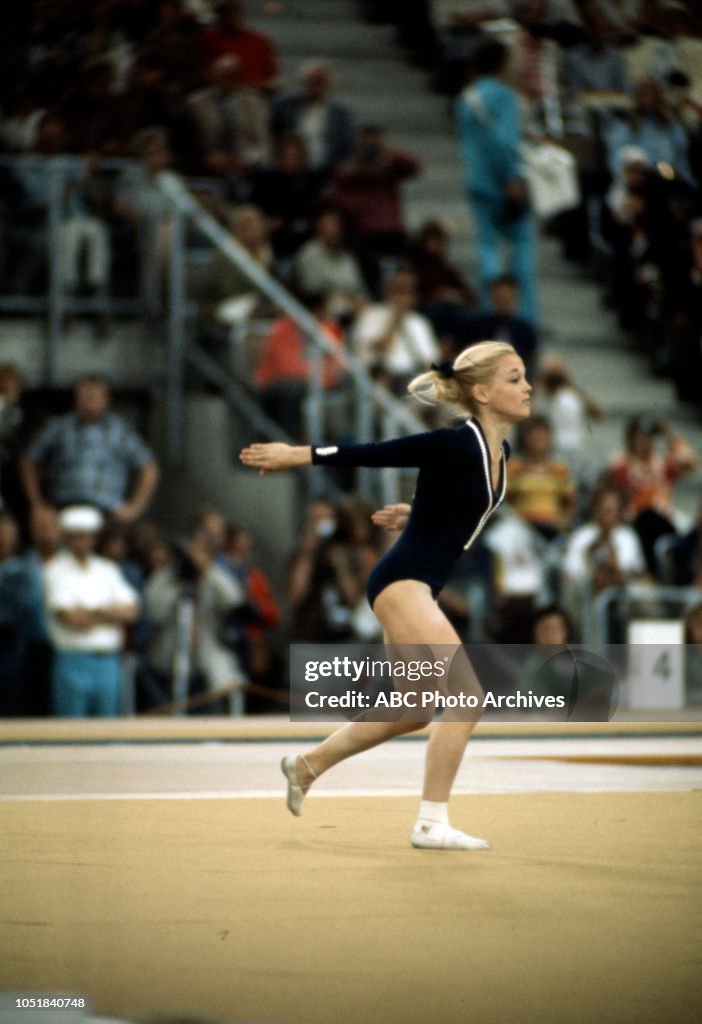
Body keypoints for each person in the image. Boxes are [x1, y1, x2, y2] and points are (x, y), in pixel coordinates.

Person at [240, 339, 532, 851]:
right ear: (482, 392)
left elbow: (461, 507)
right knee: (467, 699)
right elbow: (381, 452)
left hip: (413, 583)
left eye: (524, 376)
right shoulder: (457, 441)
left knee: (414, 710)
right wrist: (300, 454)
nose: (527, 386)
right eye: (514, 378)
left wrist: (414, 514)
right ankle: (430, 822)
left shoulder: (499, 452)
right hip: (404, 583)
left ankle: (307, 765)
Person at [455, 39, 538, 325]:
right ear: (501, 63)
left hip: (478, 180)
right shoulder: (505, 96)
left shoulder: (466, 98)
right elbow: (504, 141)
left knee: (487, 247)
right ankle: (522, 314)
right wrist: (512, 177)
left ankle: (490, 312)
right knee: (522, 246)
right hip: (504, 181)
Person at [20, 374, 160, 537]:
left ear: (106, 399)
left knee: (134, 538)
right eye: (85, 395)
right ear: (76, 397)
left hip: (109, 512)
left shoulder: (121, 431)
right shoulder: (59, 427)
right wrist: (38, 505)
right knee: (45, 535)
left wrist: (134, 508)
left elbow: (149, 468)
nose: (90, 400)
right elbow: (28, 462)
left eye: (95, 396)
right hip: (63, 507)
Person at [43, 505, 139, 717]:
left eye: (88, 536)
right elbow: (70, 617)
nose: (84, 542)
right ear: (67, 538)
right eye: (78, 536)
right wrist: (110, 613)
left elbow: (131, 612)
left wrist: (90, 613)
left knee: (107, 732)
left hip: (108, 661)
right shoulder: (55, 570)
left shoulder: (107, 569)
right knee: (70, 734)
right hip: (73, 660)